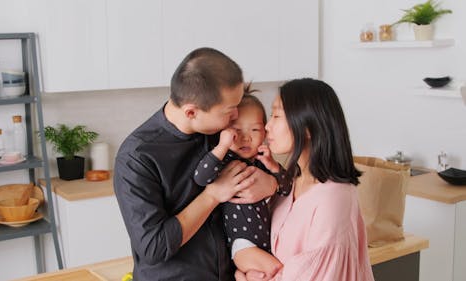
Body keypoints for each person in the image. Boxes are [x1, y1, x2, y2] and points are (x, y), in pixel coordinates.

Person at [114, 47, 281, 281]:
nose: (236, 117)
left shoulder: (220, 132)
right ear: (191, 112)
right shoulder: (136, 157)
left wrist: (271, 183)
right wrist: (212, 195)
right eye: (229, 111)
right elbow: (154, 247)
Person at [235, 78, 375, 281]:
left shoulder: (334, 197)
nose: (267, 126)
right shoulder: (292, 182)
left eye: (276, 115)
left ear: (308, 128)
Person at [193, 87, 292, 279]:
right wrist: (222, 146)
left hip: (267, 243)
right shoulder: (225, 162)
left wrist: (273, 168)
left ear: (264, 132)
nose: (246, 137)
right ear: (225, 132)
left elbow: (287, 187)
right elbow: (201, 177)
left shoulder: (263, 163)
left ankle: (241, 276)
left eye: (255, 129)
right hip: (243, 246)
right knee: (278, 271)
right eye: (237, 130)